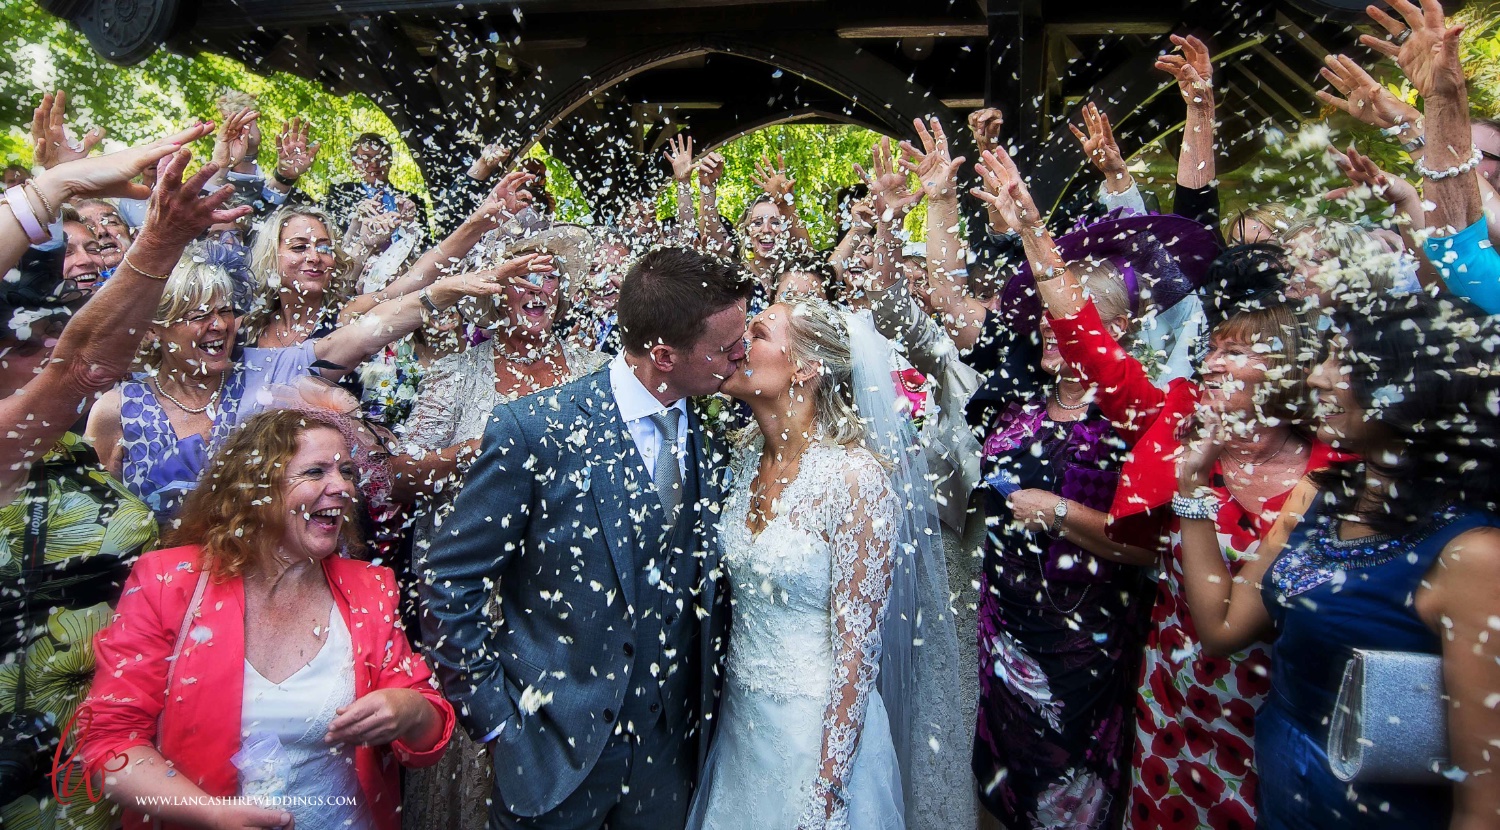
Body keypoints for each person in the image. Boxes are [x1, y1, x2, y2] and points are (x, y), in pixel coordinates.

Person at [972, 145, 1339, 829]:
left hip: (1282, 714)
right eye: (1216, 346)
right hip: (1173, 700)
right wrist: (1031, 232)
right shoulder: (1173, 417)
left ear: (1291, 369)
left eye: (1240, 349)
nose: (1218, 360)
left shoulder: (1334, 471)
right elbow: (1089, 345)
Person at [419, 247, 751, 829]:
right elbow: (450, 580)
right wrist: (495, 721)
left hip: (669, 762)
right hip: (551, 757)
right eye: (726, 349)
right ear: (665, 355)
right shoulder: (535, 430)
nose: (740, 357)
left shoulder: (712, 433)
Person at [0, 119, 250, 830]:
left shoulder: (61, 453)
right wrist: (70, 193)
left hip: (121, 730)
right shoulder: (21, 442)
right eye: (30, 328)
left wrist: (56, 191)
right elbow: (80, 360)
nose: (52, 330)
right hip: (29, 764)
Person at [1170, 291, 1500, 828]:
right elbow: (1222, 628)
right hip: (1283, 787)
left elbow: (1484, 808)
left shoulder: (1475, 555)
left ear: (1412, 387)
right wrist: (1190, 485)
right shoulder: (1319, 494)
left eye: (1342, 364)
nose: (1318, 379)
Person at [77, 409, 455, 830]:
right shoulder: (167, 583)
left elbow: (429, 736)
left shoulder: (370, 588)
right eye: (316, 471)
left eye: (346, 471)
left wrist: (409, 710)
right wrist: (211, 814)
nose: (343, 487)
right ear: (254, 487)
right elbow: (110, 745)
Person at [398, 226, 608, 830]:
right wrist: (465, 456)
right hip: (476, 597)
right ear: (499, 291)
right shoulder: (457, 373)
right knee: (485, 748)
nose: (537, 289)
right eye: (522, 278)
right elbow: (398, 476)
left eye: (549, 277)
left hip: (568, 598)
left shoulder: (595, 372)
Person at [84, 249, 524, 523]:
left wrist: (442, 293)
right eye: (198, 315)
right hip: (160, 601)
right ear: (156, 330)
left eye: (226, 312)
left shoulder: (267, 371)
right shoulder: (116, 411)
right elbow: (100, 524)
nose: (219, 325)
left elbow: (359, 335)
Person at [687, 298, 913, 829]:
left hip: (815, 738)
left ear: (806, 366)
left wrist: (829, 791)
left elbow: (858, 651)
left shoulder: (854, 481)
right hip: (743, 729)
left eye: (758, 334)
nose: (738, 345)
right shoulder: (744, 458)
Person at [323, 132, 427, 233]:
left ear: (389, 161)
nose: (374, 164)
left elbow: (426, 245)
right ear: (355, 164)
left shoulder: (413, 201)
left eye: (380, 157)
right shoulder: (340, 195)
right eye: (366, 158)